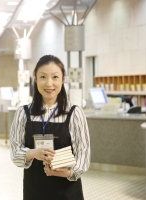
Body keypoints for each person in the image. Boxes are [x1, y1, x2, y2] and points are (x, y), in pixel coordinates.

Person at [10, 55, 90, 200]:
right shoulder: (23, 113)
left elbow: (83, 155)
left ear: (63, 79)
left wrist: (68, 172)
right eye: (43, 77)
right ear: (35, 78)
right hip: (34, 191)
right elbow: (15, 152)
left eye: (55, 77)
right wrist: (33, 153)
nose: (49, 83)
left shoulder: (74, 113)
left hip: (68, 192)